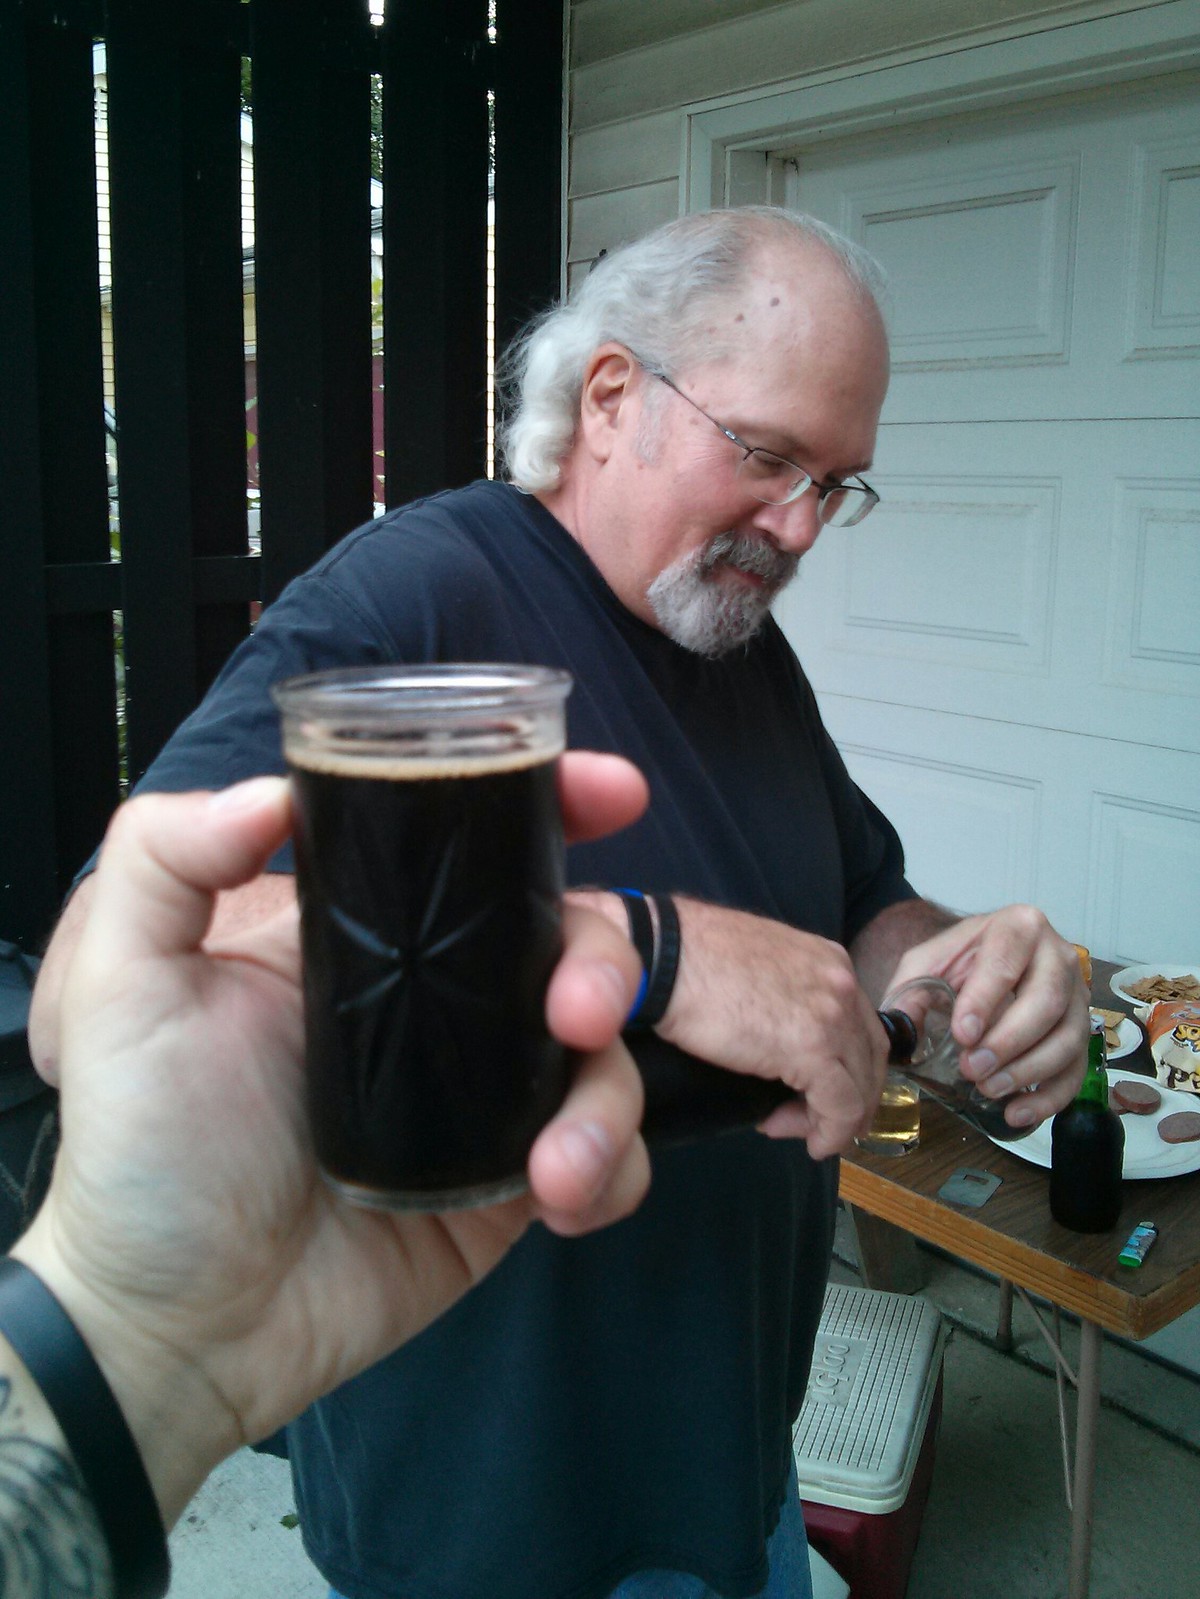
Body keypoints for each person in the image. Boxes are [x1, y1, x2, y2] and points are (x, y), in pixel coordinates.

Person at [29, 206, 1087, 1599]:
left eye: (838, 484)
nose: (801, 525)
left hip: (739, 1463)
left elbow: (861, 897)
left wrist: (961, 973)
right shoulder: (418, 595)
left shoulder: (737, 638)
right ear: (610, 395)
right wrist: (654, 949)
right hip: (492, 1519)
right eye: (766, 454)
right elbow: (95, 978)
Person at [2, 762, 650, 1598]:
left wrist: (140, 1346)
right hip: (452, 1525)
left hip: (721, 1474)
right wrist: (135, 1336)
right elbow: (63, 997)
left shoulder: (769, 706)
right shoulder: (326, 671)